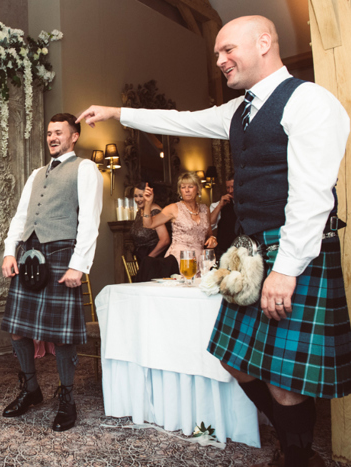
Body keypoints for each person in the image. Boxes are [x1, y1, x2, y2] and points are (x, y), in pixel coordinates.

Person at [77, 15, 351, 466]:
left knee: (284, 379)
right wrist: (117, 113)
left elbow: (313, 195)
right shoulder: (238, 111)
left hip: (291, 251)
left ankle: (300, 457)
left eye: (227, 50)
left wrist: (286, 269)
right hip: (250, 252)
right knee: (234, 360)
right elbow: (180, 119)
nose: (220, 60)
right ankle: (295, 445)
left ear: (264, 42)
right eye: (217, 54)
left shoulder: (308, 101)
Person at [0, 113, 102, 432]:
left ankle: (67, 397)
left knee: (62, 333)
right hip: (29, 255)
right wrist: (8, 251)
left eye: (59, 132)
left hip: (61, 255)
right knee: (18, 328)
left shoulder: (85, 168)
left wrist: (78, 264)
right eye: (48, 133)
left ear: (74, 136)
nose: (52, 137)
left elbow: (89, 219)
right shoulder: (35, 174)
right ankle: (31, 389)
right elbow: (20, 216)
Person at [142, 172, 217, 273]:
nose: (186, 190)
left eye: (190, 186)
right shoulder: (174, 208)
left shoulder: (205, 209)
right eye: (183, 187)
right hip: (178, 261)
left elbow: (208, 234)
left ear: (198, 189)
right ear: (179, 190)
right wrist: (147, 204)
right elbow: (148, 224)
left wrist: (212, 239)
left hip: (201, 262)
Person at [129, 182, 170, 281]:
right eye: (135, 196)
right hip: (143, 259)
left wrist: (149, 259)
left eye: (141, 196)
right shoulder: (140, 211)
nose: (138, 199)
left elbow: (165, 240)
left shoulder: (155, 211)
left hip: (154, 261)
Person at [209, 174, 238, 258]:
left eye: (233, 187)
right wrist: (220, 206)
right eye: (228, 188)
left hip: (242, 250)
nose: (230, 190)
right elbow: (210, 225)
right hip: (224, 251)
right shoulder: (219, 204)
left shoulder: (248, 205)